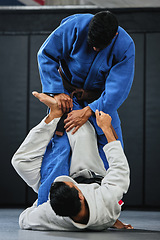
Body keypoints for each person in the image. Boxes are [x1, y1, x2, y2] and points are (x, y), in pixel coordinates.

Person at [37, 11, 135, 204]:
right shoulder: (74, 27)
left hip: (101, 101)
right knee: (61, 145)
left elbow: (118, 88)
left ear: (114, 36)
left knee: (112, 145)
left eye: (100, 47)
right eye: (92, 45)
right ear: (89, 29)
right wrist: (56, 92)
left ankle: (109, 208)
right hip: (66, 94)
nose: (96, 49)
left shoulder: (125, 46)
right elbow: (46, 55)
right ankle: (48, 203)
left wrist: (89, 110)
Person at [12, 92, 133, 231]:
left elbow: (24, 219)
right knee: (80, 131)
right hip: (92, 173)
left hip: (62, 197)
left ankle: (54, 115)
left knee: (20, 162)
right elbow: (120, 167)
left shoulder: (52, 214)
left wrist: (42, 201)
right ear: (80, 194)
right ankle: (64, 108)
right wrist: (106, 128)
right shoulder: (106, 198)